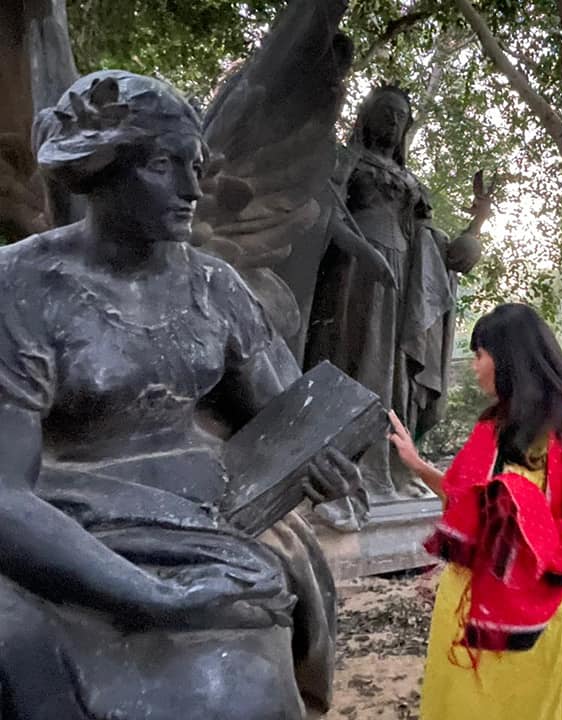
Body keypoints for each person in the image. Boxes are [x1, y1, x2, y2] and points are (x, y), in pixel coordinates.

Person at [0, 70, 359, 719]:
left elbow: (288, 422)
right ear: (101, 167)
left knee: (243, 677)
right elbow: (4, 496)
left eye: (194, 165)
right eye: (167, 165)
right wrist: (148, 595)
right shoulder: (21, 287)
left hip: (208, 524)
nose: (194, 189)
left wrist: (322, 462)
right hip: (70, 533)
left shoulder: (215, 287)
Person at [388, 303, 562, 720]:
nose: (475, 367)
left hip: (534, 613)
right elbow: (462, 501)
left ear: (506, 358)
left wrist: (535, 536)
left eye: (479, 355)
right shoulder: (490, 429)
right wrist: (416, 464)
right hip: (464, 609)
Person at [308, 85, 488, 517]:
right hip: (353, 273)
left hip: (404, 281)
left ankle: (388, 468)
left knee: (394, 375)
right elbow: (323, 212)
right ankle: (344, 470)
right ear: (367, 115)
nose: (392, 122)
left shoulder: (411, 181)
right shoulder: (347, 160)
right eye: (385, 112)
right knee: (357, 361)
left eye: (400, 116)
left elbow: (436, 245)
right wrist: (363, 252)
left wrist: (477, 223)